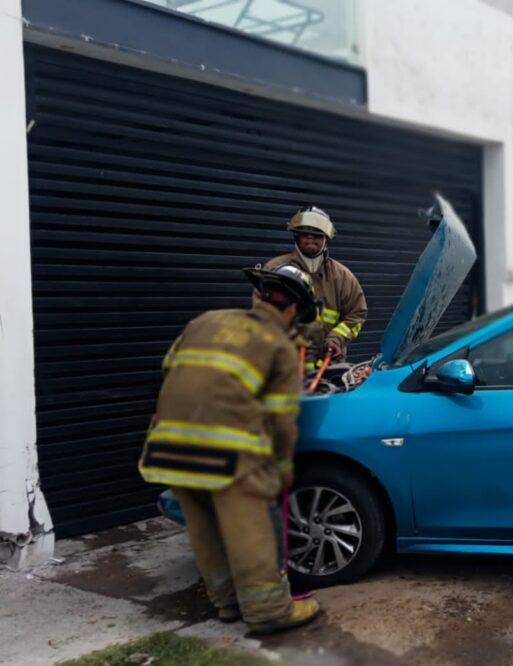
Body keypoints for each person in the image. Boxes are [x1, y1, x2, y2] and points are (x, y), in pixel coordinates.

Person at [138, 265, 322, 635]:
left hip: (167, 446)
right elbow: (282, 420)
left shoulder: (204, 321)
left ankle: (226, 603)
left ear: (259, 296)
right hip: (224, 454)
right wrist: (283, 467)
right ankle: (268, 609)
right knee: (248, 529)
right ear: (291, 311)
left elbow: (170, 369)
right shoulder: (280, 347)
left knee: (204, 527)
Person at [264, 206, 367, 370]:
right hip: (286, 367)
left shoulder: (343, 277)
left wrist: (337, 338)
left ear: (326, 237)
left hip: (329, 368)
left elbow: (357, 314)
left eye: (317, 233)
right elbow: (262, 315)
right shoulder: (275, 270)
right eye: (305, 233)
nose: (311, 238)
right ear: (296, 235)